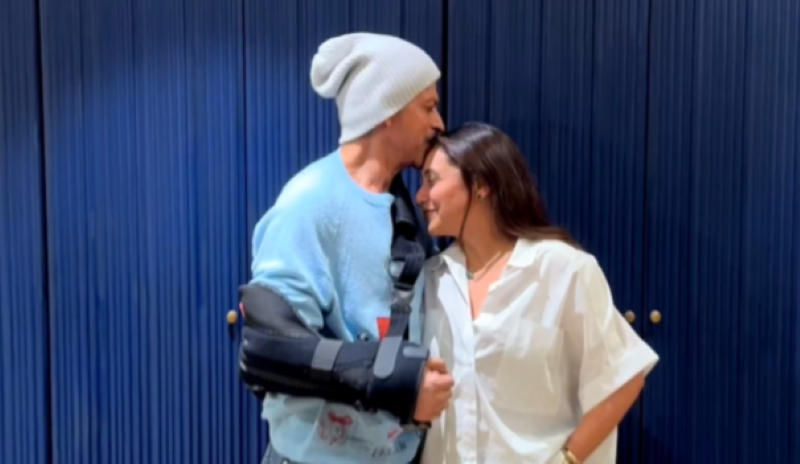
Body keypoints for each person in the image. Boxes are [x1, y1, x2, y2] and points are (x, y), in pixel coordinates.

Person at [240, 33, 451, 464]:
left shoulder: (401, 209)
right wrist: (394, 381)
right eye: (428, 107)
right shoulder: (311, 202)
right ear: (387, 110)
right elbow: (270, 347)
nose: (440, 124)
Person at [416, 122, 660, 464]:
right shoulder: (430, 280)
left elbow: (622, 378)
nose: (420, 196)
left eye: (432, 180)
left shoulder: (563, 270)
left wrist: (568, 459)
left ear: (481, 185)